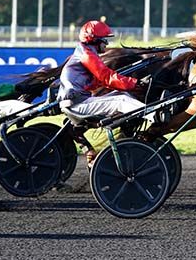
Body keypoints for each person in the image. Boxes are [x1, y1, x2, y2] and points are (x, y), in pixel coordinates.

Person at [57, 20, 145, 165]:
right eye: (105, 39)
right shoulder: (86, 55)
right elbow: (107, 77)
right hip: (77, 104)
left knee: (120, 96)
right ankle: (152, 115)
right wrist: (133, 83)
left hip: (77, 101)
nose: (107, 44)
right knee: (121, 101)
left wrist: (125, 84)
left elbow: (100, 81)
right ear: (94, 39)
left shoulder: (85, 53)